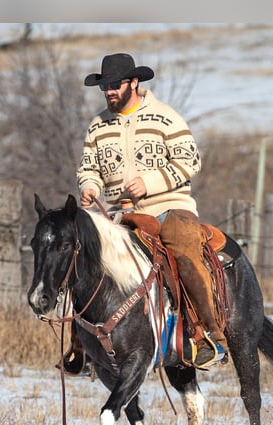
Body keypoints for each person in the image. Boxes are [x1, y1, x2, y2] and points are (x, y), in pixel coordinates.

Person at [76, 52, 227, 368]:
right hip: (117, 214)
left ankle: (208, 336)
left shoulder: (165, 117)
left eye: (115, 85)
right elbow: (88, 167)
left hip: (168, 206)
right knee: (76, 251)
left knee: (184, 245)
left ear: (133, 82)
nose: (109, 92)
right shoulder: (98, 125)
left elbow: (190, 161)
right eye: (105, 87)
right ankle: (82, 344)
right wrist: (89, 186)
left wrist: (149, 183)